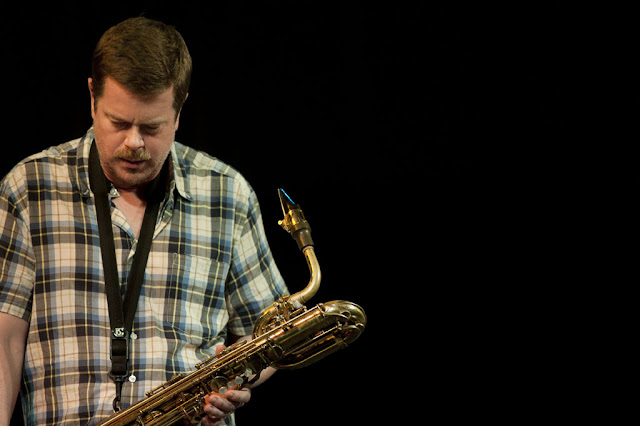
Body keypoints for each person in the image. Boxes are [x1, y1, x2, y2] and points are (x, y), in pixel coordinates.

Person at [0, 17, 288, 425]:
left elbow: (267, 336)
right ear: (91, 95)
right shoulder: (27, 187)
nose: (133, 143)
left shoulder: (228, 193)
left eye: (151, 127)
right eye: (118, 123)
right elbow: (4, 341)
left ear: (180, 108)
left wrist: (240, 379)